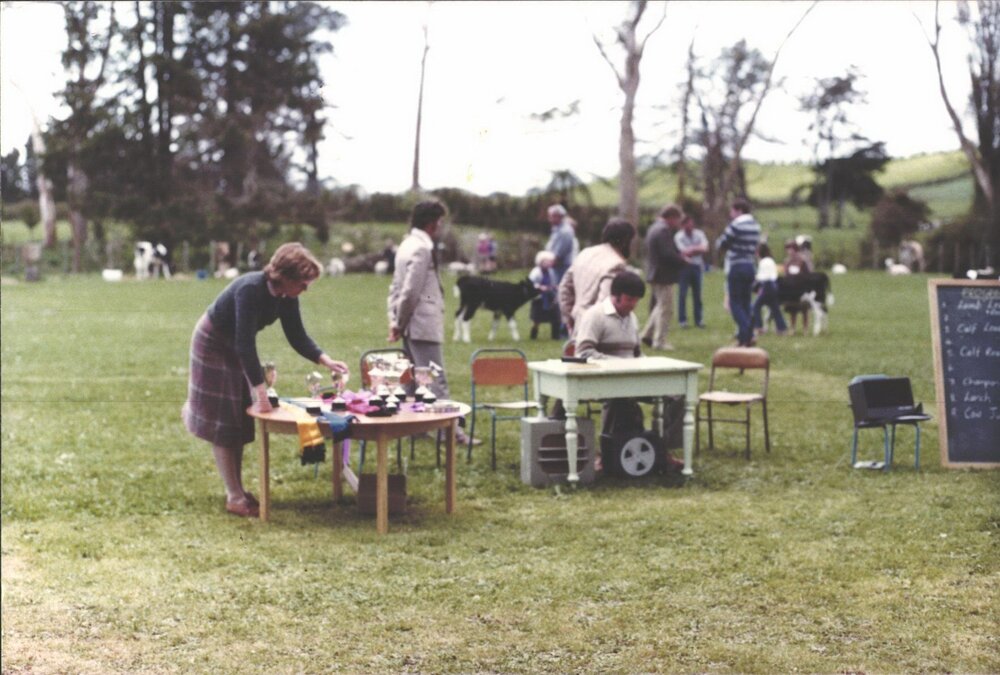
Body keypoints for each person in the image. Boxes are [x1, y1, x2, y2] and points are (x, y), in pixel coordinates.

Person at [182, 243, 350, 518]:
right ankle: (234, 495)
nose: (306, 289)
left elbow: (296, 335)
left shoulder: (286, 296)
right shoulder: (250, 289)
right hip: (212, 343)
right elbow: (245, 343)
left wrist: (325, 359)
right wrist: (260, 391)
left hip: (236, 344)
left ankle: (237, 488)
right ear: (285, 276)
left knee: (239, 417)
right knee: (226, 418)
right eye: (303, 283)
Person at [387, 199, 479, 446]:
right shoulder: (422, 249)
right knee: (435, 379)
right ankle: (450, 433)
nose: (440, 226)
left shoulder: (406, 245)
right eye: (439, 222)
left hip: (410, 322)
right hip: (421, 324)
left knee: (413, 379)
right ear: (431, 223)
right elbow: (409, 292)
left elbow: (399, 289)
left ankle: (413, 427)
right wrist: (400, 321)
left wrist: (395, 320)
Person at [574, 270, 684, 471]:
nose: (633, 305)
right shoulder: (595, 316)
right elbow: (583, 352)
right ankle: (607, 454)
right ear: (615, 296)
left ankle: (662, 449)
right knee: (620, 400)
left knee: (678, 394)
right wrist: (618, 365)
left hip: (633, 378)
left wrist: (646, 365)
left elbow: (636, 353)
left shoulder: (631, 318)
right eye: (629, 299)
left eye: (636, 301)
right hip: (604, 380)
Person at [558, 217, 637, 339]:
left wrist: (569, 316)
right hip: (597, 331)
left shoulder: (585, 253)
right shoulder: (616, 264)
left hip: (577, 322)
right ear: (626, 241)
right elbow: (605, 302)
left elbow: (564, 287)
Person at [640, 204, 688, 351]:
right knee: (666, 309)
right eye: (678, 219)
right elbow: (667, 254)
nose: (679, 223)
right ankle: (659, 341)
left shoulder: (654, 228)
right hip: (663, 275)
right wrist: (683, 261)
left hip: (655, 273)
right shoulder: (663, 231)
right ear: (672, 217)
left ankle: (647, 334)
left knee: (660, 306)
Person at [716, 198, 761, 347]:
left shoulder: (736, 225)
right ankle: (746, 338)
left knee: (734, 303)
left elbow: (721, 244)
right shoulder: (756, 225)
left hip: (736, 266)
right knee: (746, 302)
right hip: (750, 266)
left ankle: (745, 332)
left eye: (732, 211)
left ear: (739, 210)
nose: (731, 214)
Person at [674, 214, 709, 329]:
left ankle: (699, 320)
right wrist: (696, 249)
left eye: (691, 223)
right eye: (687, 224)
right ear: (683, 225)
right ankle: (682, 320)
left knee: (697, 294)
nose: (690, 226)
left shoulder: (699, 233)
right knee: (682, 294)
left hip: (697, 267)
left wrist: (692, 250)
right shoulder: (678, 236)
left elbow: (705, 248)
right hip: (684, 267)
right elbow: (682, 251)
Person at [752, 242, 788, 336]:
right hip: (774, 286)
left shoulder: (763, 262)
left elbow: (761, 277)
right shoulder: (771, 260)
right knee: (775, 308)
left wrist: (754, 283)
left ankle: (758, 326)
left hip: (766, 286)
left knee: (756, 306)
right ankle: (782, 328)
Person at [528, 250, 561, 340]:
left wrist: (555, 287)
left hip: (550, 296)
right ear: (541, 261)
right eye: (547, 261)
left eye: (550, 261)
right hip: (539, 298)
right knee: (537, 319)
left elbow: (553, 283)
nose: (549, 263)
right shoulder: (536, 272)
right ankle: (533, 334)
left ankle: (555, 336)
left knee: (556, 317)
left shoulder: (551, 272)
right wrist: (539, 287)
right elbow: (531, 283)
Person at [545, 204, 576, 284]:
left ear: (558, 216)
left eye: (551, 216)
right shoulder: (557, 229)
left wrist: (548, 264)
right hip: (556, 267)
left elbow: (559, 253)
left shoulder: (565, 232)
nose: (549, 219)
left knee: (560, 290)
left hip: (562, 267)